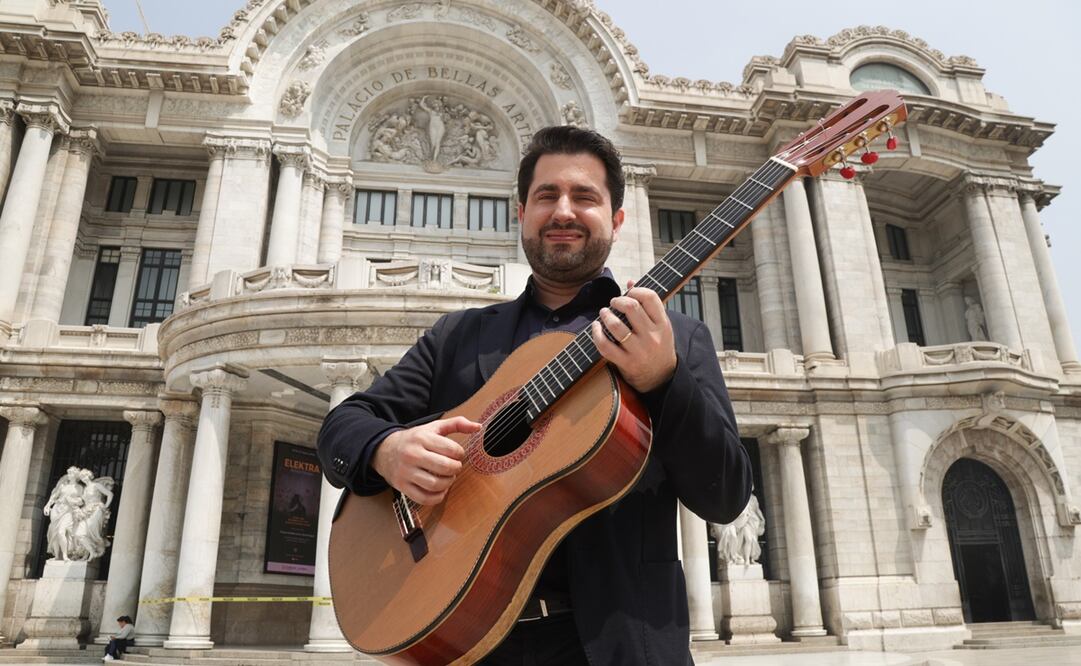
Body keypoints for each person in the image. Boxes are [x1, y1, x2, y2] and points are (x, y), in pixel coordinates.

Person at [318, 125, 752, 665]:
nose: (564, 211)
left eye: (585, 197)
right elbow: (344, 426)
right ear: (520, 213)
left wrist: (664, 380)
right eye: (547, 196)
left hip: (621, 647)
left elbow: (726, 494)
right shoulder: (459, 336)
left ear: (617, 220)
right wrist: (386, 451)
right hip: (468, 646)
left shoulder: (675, 339)